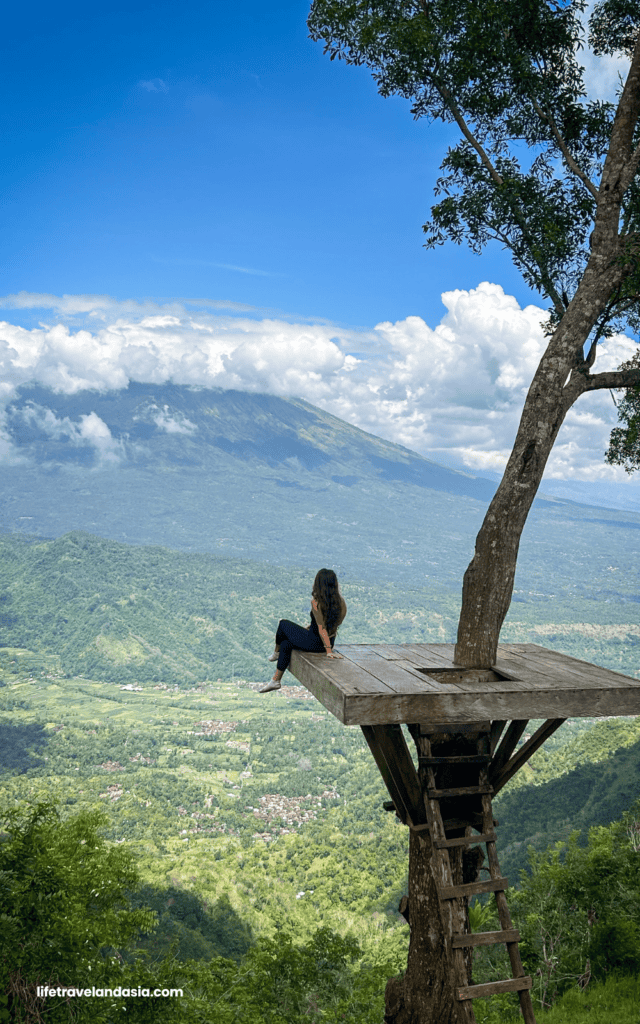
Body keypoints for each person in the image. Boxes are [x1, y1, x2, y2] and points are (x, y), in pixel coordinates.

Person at [259, 568, 346, 693]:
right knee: (286, 643)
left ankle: (276, 653)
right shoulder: (341, 602)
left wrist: (328, 651)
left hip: (315, 642)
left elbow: (321, 628)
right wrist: (328, 645)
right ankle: (276, 680)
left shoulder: (317, 602)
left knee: (283, 624)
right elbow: (335, 623)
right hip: (328, 641)